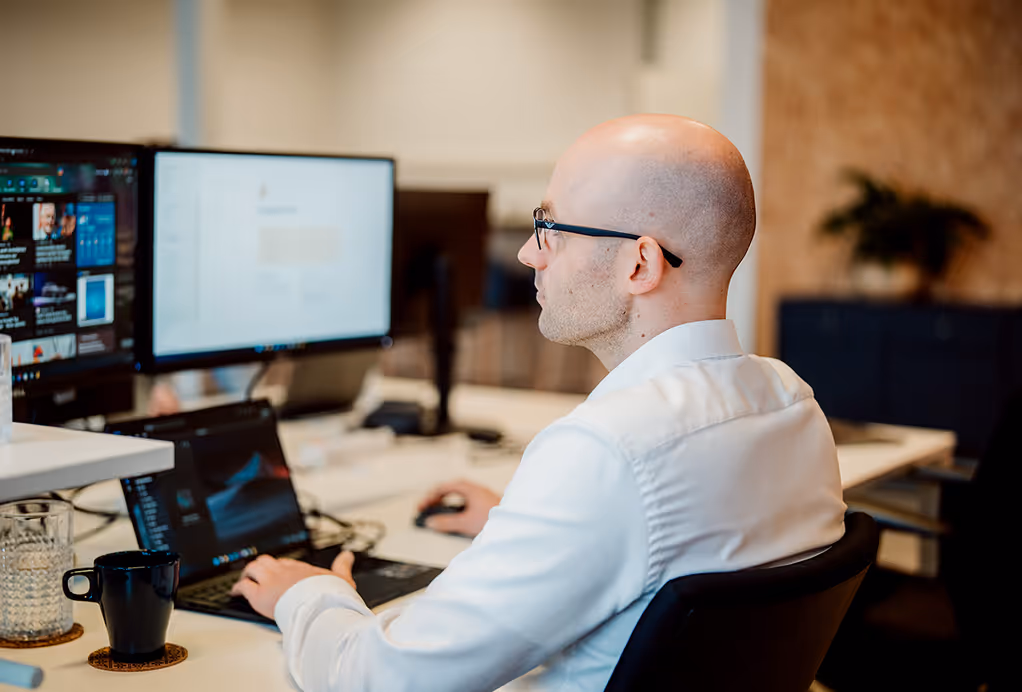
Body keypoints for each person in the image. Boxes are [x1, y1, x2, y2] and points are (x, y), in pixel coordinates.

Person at [231, 115, 847, 692]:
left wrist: (308, 596)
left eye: (550, 228)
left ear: (640, 264)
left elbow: (384, 679)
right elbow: (696, 534)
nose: (529, 253)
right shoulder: (793, 404)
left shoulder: (608, 451)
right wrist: (543, 524)